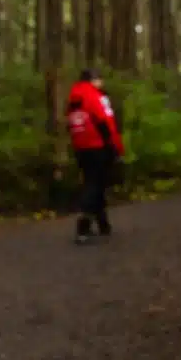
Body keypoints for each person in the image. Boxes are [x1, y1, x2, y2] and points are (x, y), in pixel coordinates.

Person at [66, 68, 124, 244]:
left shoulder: (73, 99)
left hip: (81, 147)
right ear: (93, 80)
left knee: (94, 182)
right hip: (99, 146)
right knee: (95, 184)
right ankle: (83, 225)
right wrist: (115, 146)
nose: (102, 83)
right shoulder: (95, 96)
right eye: (99, 79)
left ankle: (103, 223)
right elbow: (105, 121)